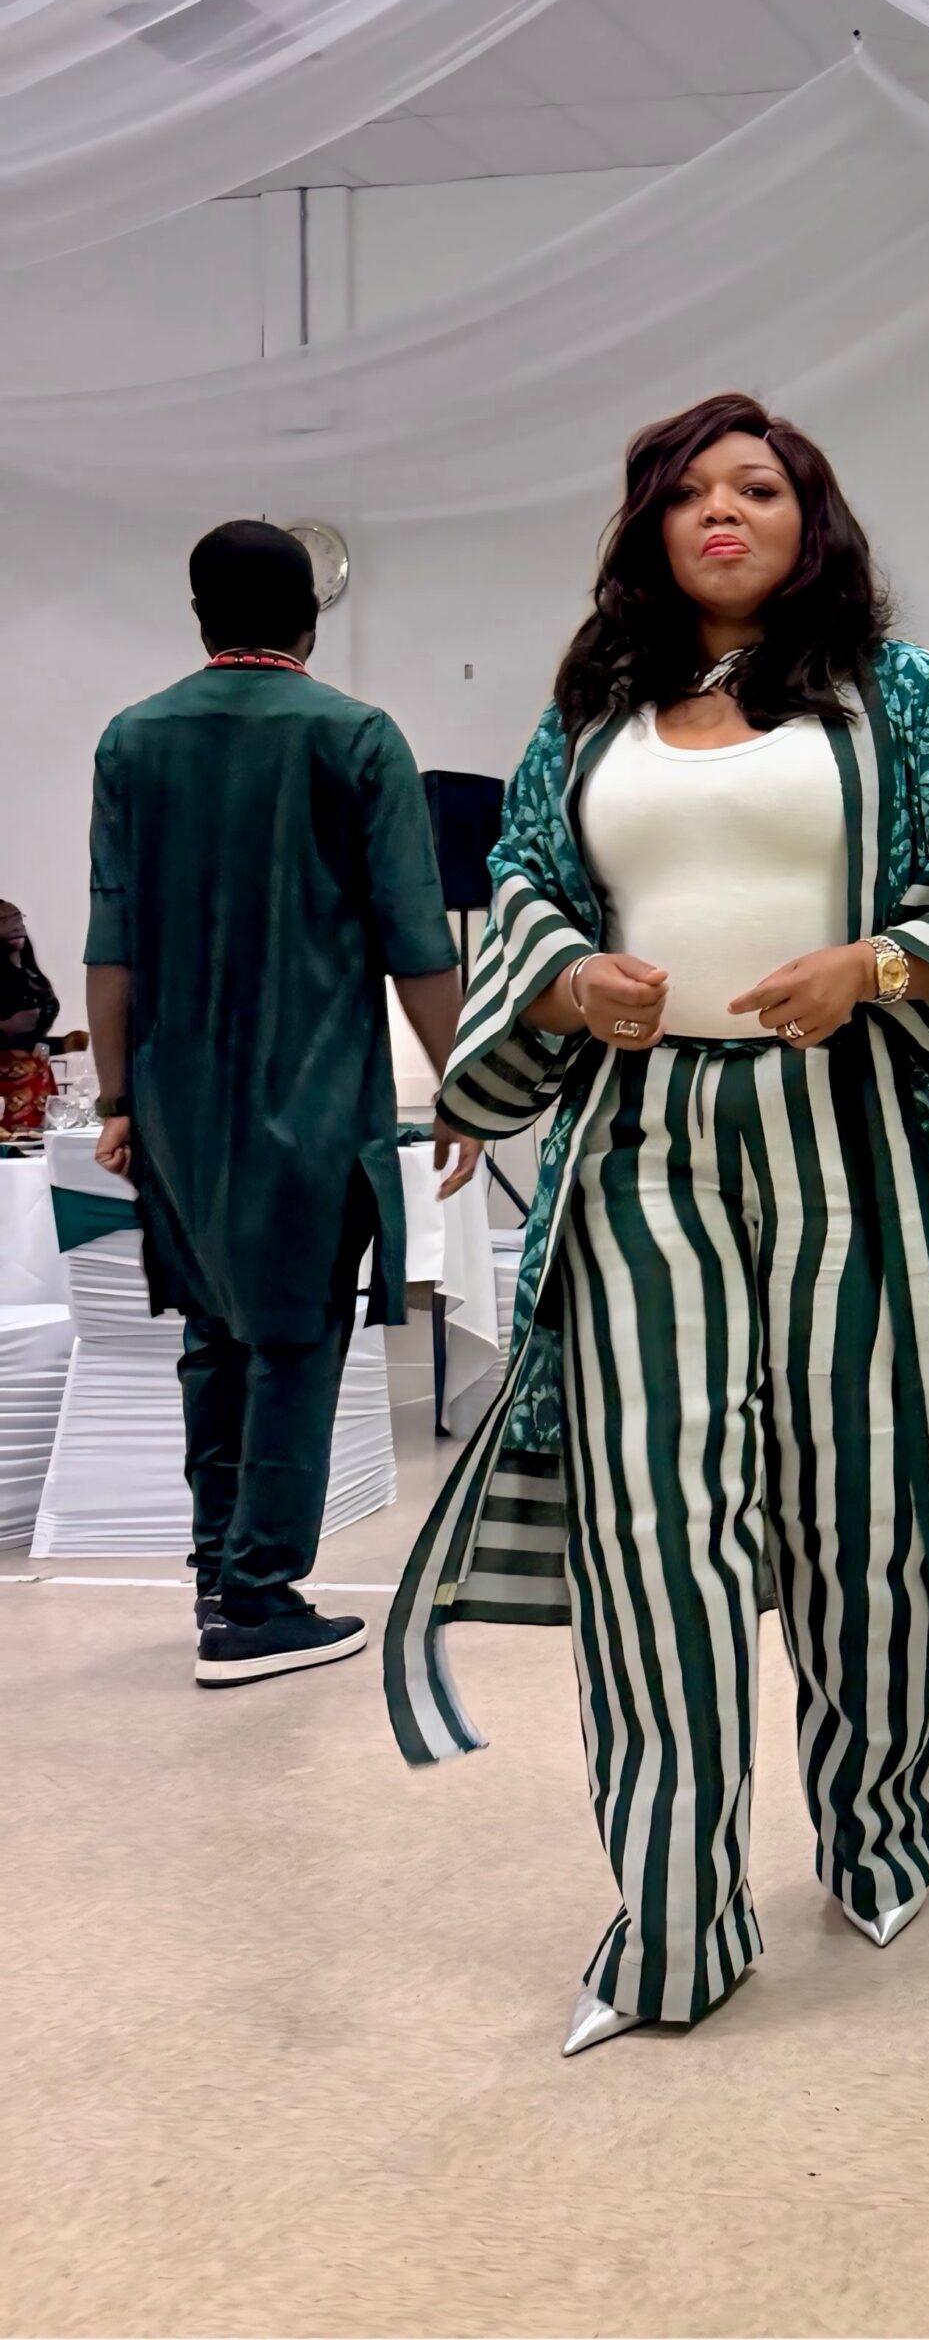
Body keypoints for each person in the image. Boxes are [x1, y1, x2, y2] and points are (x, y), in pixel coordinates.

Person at [381, 394, 929, 2058]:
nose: (722, 511)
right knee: (652, 1528)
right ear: (648, 527)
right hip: (646, 1149)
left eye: (757, 487)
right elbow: (529, 890)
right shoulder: (591, 712)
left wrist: (878, 965)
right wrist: (564, 982)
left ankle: (878, 1829)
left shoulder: (900, 693)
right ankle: (677, 1922)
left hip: (854, 1140)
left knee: (862, 1510)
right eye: (688, 491)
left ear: (808, 516)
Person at [83, 522, 474, 1685]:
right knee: (296, 1339)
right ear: (310, 617)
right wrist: (465, 1085)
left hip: (176, 1101)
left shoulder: (132, 739)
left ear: (198, 616)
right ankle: (256, 1603)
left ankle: (217, 1573)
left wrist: (115, 1099)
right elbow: (416, 941)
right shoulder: (357, 737)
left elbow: (111, 942)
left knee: (213, 1337)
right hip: (312, 1096)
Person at [0, 902, 61, 1134]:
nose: (15, 926)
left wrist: (64, 1043)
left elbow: (31, 1036)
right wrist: (6, 1025)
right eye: (3, 921)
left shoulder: (29, 972)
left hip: (37, 1081)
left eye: (17, 918)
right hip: (6, 1088)